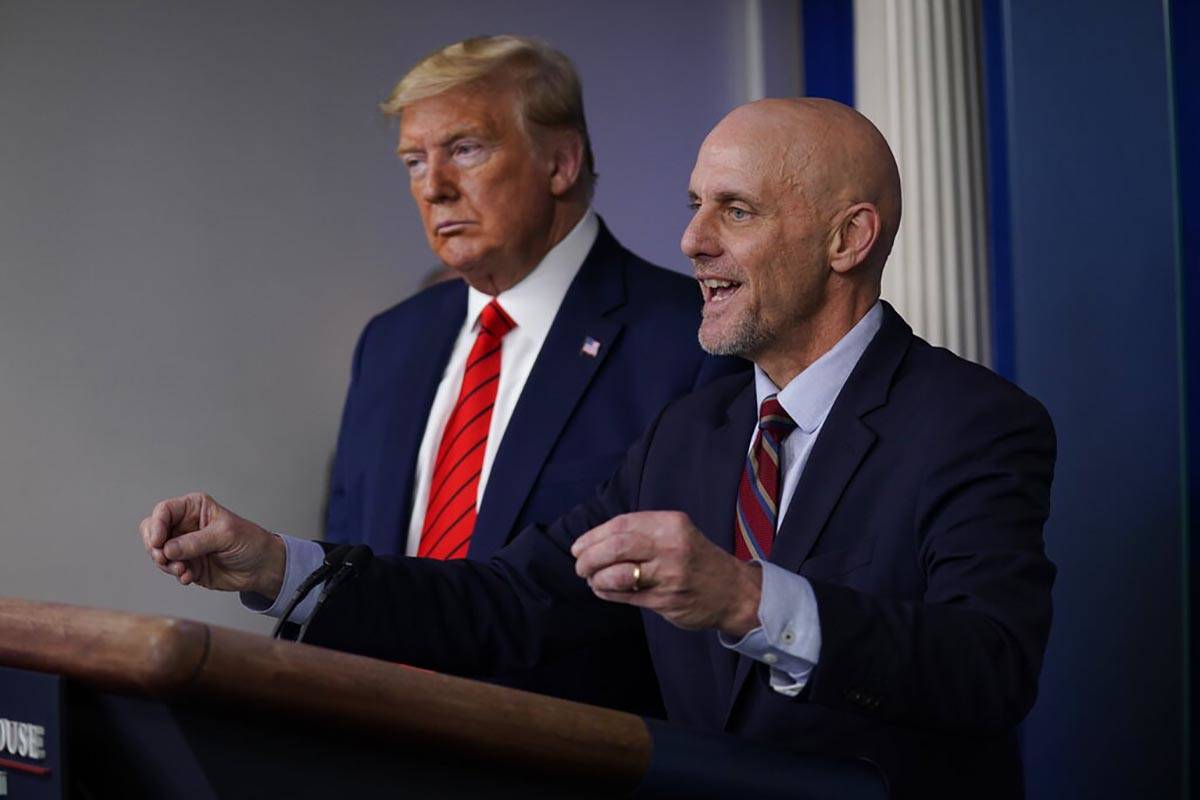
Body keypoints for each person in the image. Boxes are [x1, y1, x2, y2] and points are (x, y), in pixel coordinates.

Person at [142, 98, 1056, 798]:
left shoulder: (974, 422)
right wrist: (280, 567)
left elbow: (989, 669)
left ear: (848, 237)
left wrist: (747, 597)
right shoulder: (687, 432)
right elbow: (503, 602)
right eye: (695, 206)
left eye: (733, 211)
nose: (692, 240)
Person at [319, 36, 744, 713]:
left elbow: (685, 614)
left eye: (465, 149)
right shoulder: (390, 342)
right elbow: (346, 570)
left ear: (561, 162)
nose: (433, 186)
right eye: (413, 160)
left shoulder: (690, 339)